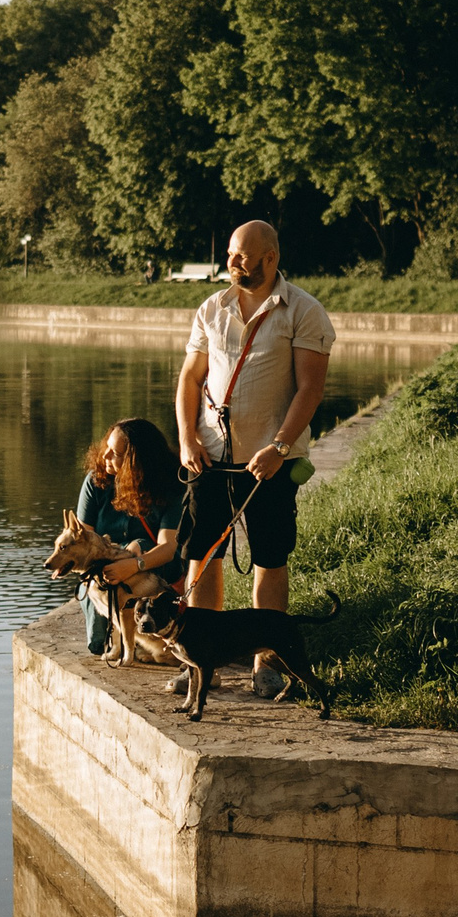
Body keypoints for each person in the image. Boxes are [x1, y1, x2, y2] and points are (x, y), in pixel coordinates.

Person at [173, 220, 332, 699]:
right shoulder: (211, 308)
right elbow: (189, 380)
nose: (232, 263)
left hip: (271, 465)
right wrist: (186, 438)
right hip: (210, 459)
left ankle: (268, 662)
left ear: (270, 258)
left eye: (242, 256)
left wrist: (280, 446)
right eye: (230, 254)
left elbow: (311, 388)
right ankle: (204, 661)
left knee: (269, 558)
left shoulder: (304, 311)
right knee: (203, 554)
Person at [74, 417, 187, 656]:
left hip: (156, 568)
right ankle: (128, 637)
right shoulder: (96, 482)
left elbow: (167, 548)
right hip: (104, 570)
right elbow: (83, 541)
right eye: (107, 448)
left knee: (139, 545)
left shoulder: (170, 487)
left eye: (115, 453)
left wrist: (133, 564)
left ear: (137, 461)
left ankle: (149, 625)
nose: (105, 457)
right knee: (97, 645)